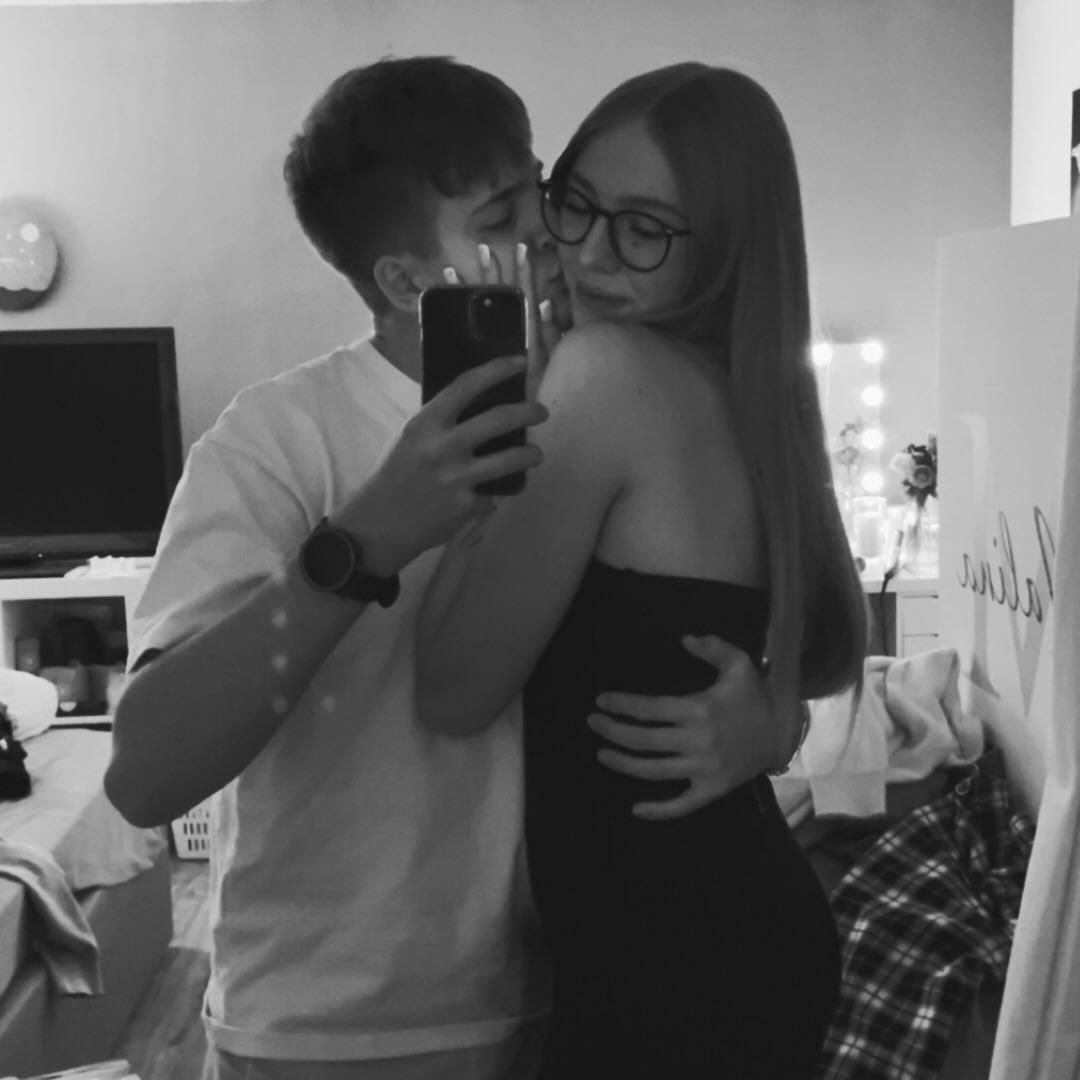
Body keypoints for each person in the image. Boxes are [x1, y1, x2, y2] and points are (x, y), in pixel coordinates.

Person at [104, 56, 802, 1080]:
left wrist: (778, 717)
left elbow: (722, 619)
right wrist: (364, 542)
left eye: (543, 191)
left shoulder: (603, 393)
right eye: (505, 214)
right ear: (405, 280)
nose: (557, 239)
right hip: (337, 1021)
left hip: (564, 991)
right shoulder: (280, 438)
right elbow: (145, 775)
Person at [415, 62, 869, 1079]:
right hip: (719, 935)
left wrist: (502, 424)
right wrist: (779, 722)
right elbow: (819, 640)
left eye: (645, 229)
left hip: (677, 963)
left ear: (728, 247)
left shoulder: (606, 375)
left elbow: (449, 690)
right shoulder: (736, 394)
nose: (587, 251)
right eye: (575, 204)